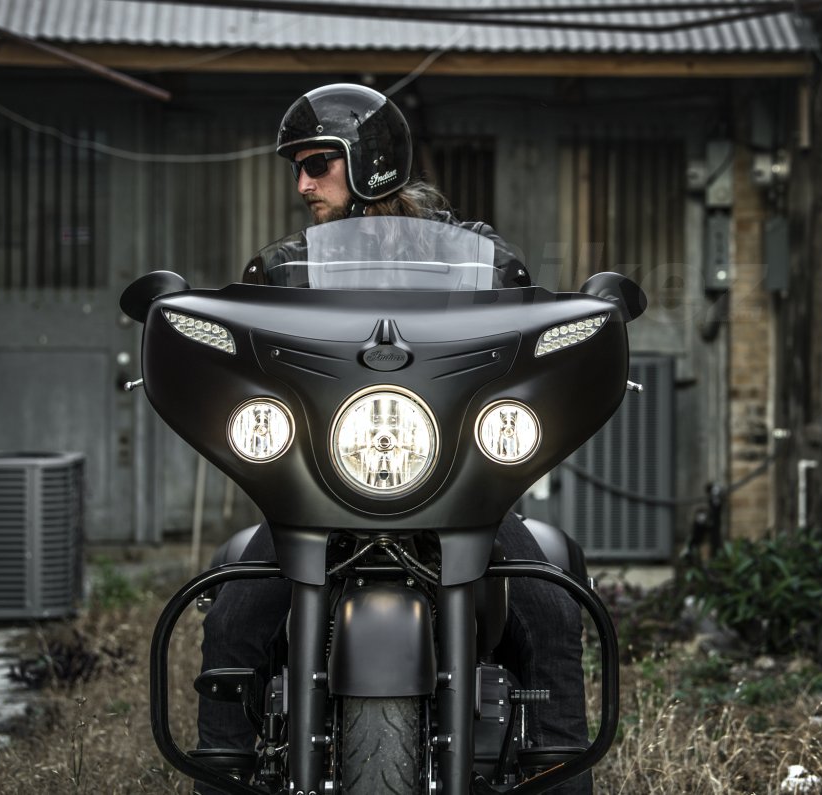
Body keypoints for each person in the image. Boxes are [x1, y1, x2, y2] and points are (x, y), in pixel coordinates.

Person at [195, 84, 591, 795]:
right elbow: (255, 348)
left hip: (454, 484)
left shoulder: (476, 258)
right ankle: (222, 775)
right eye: (298, 167)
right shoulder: (286, 268)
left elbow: (516, 335)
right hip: (322, 485)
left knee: (553, 609)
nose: (302, 183)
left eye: (317, 163)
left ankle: (559, 772)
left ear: (369, 161)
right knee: (233, 616)